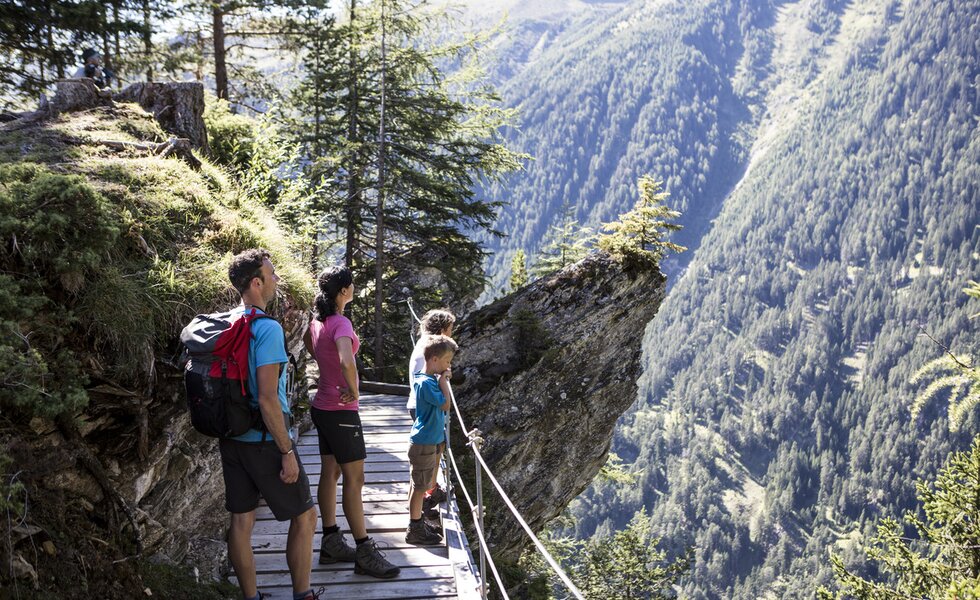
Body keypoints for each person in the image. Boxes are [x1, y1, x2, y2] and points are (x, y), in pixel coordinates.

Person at [221, 249, 319, 600]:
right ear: (257, 282)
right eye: (272, 273)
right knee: (306, 517)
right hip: (264, 439)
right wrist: (287, 450)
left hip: (231, 436)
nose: (278, 278)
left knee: (241, 521)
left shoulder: (229, 323)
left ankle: (250, 597)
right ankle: (303, 594)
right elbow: (266, 398)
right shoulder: (266, 329)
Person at [304, 266, 400, 579]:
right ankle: (364, 551)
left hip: (322, 406)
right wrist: (353, 388)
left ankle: (331, 541)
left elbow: (310, 343)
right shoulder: (342, 322)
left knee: (329, 472)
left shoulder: (319, 320)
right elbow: (346, 360)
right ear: (344, 290)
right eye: (352, 285)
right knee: (354, 481)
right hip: (341, 411)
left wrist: (326, 371)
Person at [406, 335, 457, 545]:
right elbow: (446, 404)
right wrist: (444, 381)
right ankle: (415, 527)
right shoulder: (427, 383)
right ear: (434, 359)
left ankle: (417, 520)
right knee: (419, 487)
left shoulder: (425, 379)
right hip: (424, 442)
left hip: (427, 441)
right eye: (446, 361)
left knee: (420, 483)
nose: (448, 365)